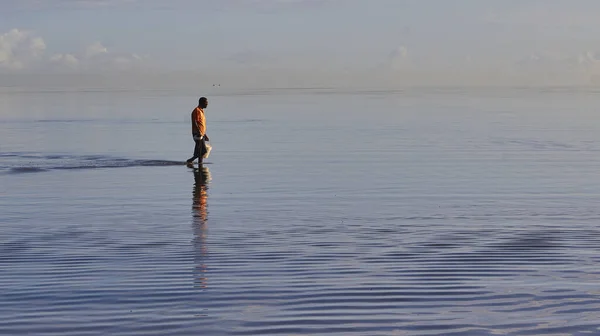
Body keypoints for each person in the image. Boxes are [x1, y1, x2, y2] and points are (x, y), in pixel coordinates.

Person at [187, 97, 210, 165]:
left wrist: (204, 134)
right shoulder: (196, 110)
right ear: (202, 103)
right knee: (202, 151)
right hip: (197, 134)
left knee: (201, 151)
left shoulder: (201, 111)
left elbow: (201, 124)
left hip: (201, 134)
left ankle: (200, 164)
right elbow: (195, 122)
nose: (207, 104)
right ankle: (190, 161)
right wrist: (199, 132)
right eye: (206, 103)